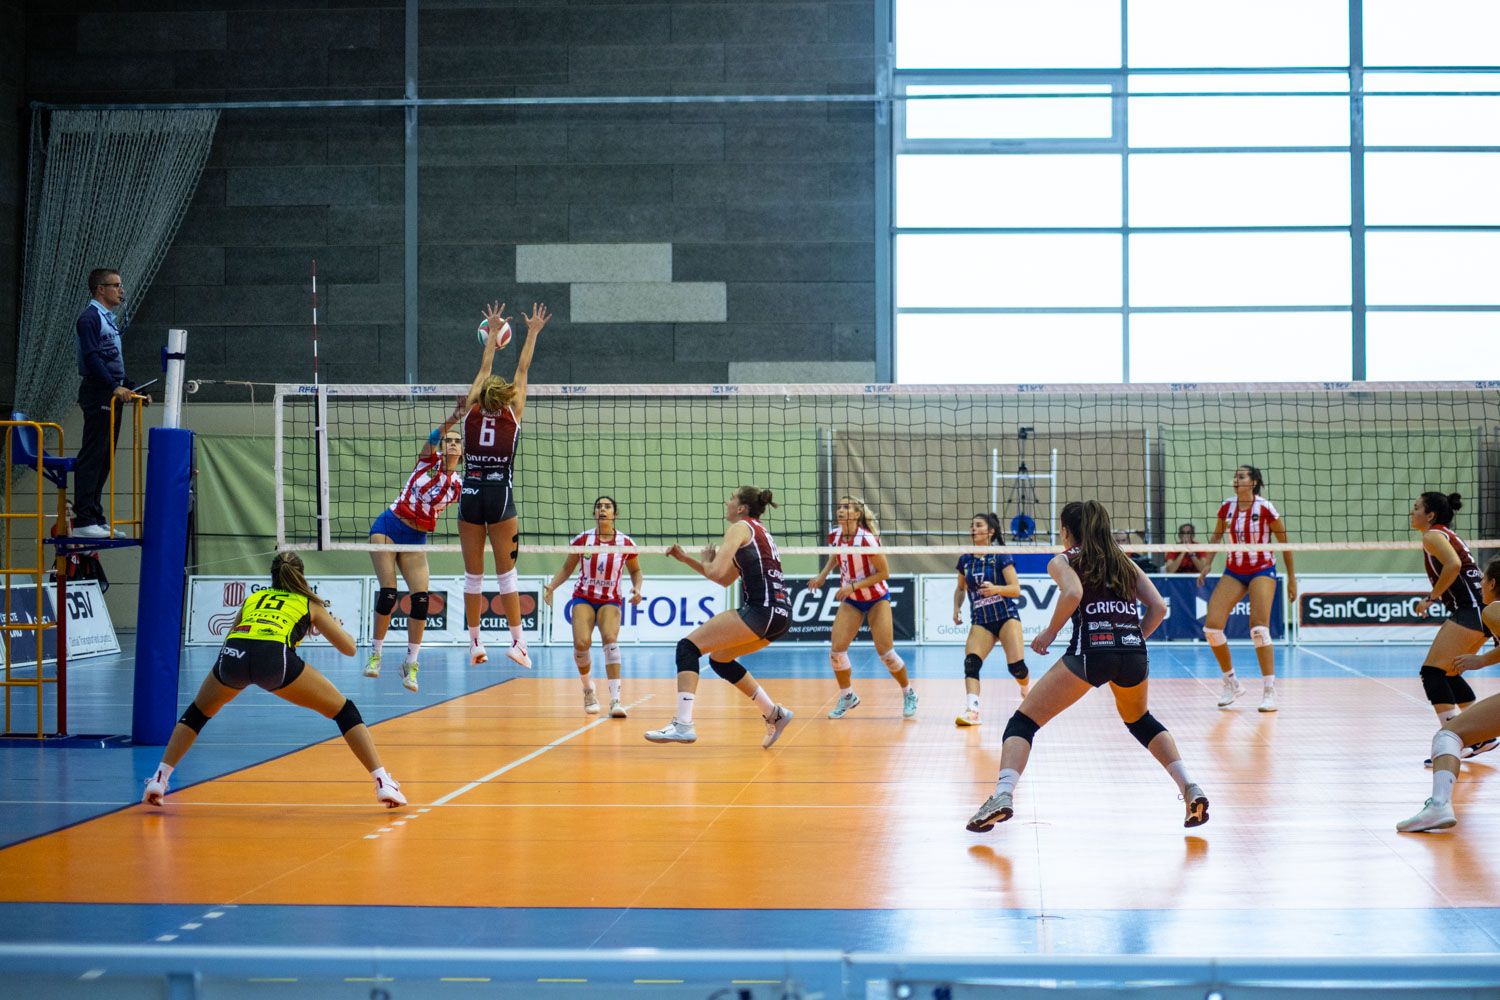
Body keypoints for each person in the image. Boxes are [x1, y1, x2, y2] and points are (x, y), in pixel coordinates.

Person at [966, 500, 1207, 833]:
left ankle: (1002, 795)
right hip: (1133, 653)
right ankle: (1189, 786)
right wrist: (1133, 638)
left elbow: (1074, 592)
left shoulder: (1064, 559)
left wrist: (1049, 633)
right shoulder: (1124, 560)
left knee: (1022, 722)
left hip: (1092, 652)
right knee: (1140, 720)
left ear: (1066, 531)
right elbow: (1158, 607)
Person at [142, 552, 405, 809]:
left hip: (233, 655)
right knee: (344, 710)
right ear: (301, 576)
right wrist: (332, 623)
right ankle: (383, 781)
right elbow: (349, 648)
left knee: (197, 713)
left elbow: (233, 634)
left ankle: (159, 779)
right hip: (274, 661)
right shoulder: (309, 604)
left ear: (272, 577)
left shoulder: (254, 598)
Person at [645, 486, 795, 748]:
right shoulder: (758, 532)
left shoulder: (740, 528)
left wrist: (707, 561)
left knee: (687, 647)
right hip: (780, 615)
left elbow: (715, 572)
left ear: (741, 508)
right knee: (721, 659)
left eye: (732, 498)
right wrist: (687, 560)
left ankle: (683, 724)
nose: (727, 502)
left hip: (761, 610)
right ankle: (774, 713)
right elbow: (725, 580)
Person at [458, 301, 550, 669]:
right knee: (506, 575)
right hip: (500, 497)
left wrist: (492, 334)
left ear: (481, 395)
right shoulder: (514, 411)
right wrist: (532, 332)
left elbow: (485, 368)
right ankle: (518, 644)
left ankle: (475, 644)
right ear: (506, 395)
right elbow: (523, 368)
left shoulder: (469, 411)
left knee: (472, 577)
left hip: (470, 494)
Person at [363, 398, 467, 694]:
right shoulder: (426, 462)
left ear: (462, 451)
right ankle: (376, 655)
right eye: (448, 440)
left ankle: (411, 664)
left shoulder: (459, 484)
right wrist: (454, 417)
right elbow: (432, 439)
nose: (452, 444)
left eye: (457, 442)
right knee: (388, 592)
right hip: (389, 526)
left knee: (421, 600)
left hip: (416, 539)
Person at [1398, 557, 1500, 833]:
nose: (1478, 586)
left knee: (1448, 736)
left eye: (1482, 580)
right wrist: (1481, 661)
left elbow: (1453, 563)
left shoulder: (1492, 611)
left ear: (1492, 583)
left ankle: (1439, 805)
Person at [1196, 464, 1296, 712]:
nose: (1236, 479)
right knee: (1211, 627)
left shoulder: (1265, 508)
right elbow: (1217, 536)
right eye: (1235, 476)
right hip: (1234, 570)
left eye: (1241, 476)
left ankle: (1269, 690)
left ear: (1253, 482)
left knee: (1259, 629)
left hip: (1262, 569)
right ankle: (1231, 682)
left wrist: (1292, 578)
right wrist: (1207, 563)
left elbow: (1285, 543)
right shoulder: (1227, 507)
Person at [806, 494, 917, 720]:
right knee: (836, 651)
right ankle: (847, 696)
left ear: (857, 514)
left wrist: (853, 586)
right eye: (839, 507)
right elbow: (836, 557)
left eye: (846, 507)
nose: (840, 510)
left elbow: (884, 573)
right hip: (852, 599)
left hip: (876, 597)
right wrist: (822, 576)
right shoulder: (835, 535)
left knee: (886, 653)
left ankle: (909, 692)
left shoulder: (866, 540)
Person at [1407, 492, 1497, 759]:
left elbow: (1454, 564)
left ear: (1430, 515)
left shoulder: (1433, 536)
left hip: (1471, 610)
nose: (1412, 513)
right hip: (1481, 610)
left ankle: (1455, 738)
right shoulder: (1444, 533)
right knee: (1449, 672)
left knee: (1432, 672)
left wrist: (1431, 598)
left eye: (1416, 508)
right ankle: (1481, 736)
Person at [543, 496, 643, 717]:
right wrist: (551, 586)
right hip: (584, 597)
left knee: (610, 639)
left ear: (615, 514)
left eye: (607, 507)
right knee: (581, 643)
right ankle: (588, 690)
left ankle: (616, 700)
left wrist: (637, 588)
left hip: (610, 599)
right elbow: (567, 568)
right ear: (595, 513)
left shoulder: (625, 543)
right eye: (599, 507)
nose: (603, 510)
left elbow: (635, 571)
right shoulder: (583, 540)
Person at [73, 268, 150, 539]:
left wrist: (131, 387)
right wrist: (112, 387)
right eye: (115, 285)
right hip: (98, 394)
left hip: (111, 394)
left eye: (120, 285)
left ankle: (95, 514)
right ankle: (83, 518)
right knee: (93, 455)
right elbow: (93, 359)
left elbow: (113, 364)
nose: (121, 290)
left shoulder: (109, 320)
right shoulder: (89, 318)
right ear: (100, 289)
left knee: (106, 457)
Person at [951, 513, 1028, 726]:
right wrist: (957, 608)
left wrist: (996, 589)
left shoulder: (1000, 555)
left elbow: (1016, 589)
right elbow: (960, 588)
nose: (973, 529)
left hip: (1005, 616)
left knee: (1017, 668)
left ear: (990, 531)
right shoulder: (965, 560)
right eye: (972, 525)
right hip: (981, 619)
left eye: (978, 525)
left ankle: (1025, 688)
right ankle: (972, 710)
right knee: (971, 663)